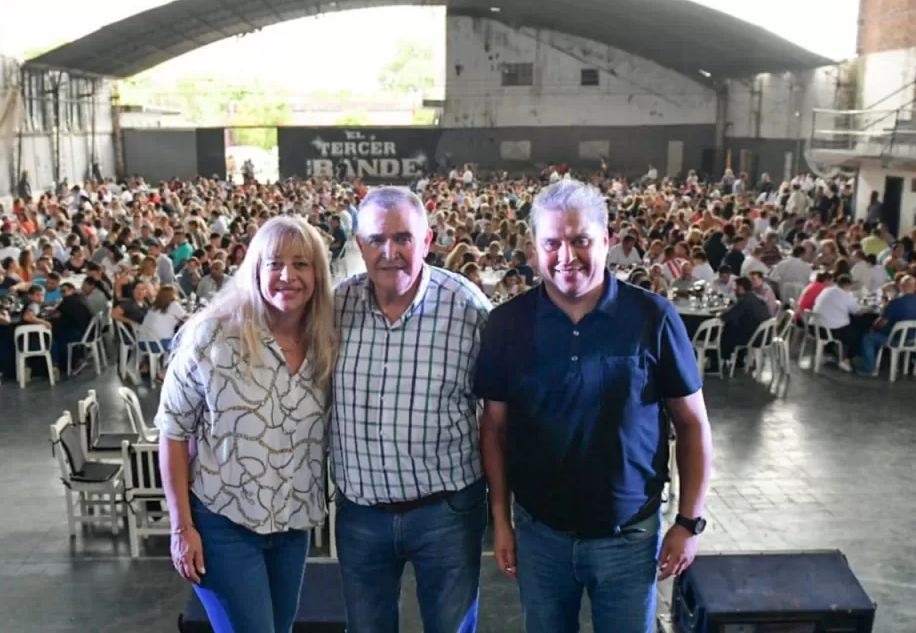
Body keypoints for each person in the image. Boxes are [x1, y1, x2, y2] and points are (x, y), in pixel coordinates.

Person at [475, 180, 712, 632]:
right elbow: (495, 429)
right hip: (540, 536)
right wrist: (501, 521)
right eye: (552, 243)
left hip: (630, 538)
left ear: (606, 240)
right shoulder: (507, 324)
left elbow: (693, 424)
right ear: (535, 248)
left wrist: (688, 522)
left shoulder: (653, 318)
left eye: (580, 240)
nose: (567, 257)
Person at [156, 216, 338, 633]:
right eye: (274, 263)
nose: (287, 276)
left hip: (292, 528)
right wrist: (182, 528)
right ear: (254, 270)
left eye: (301, 264)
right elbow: (173, 432)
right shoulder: (211, 337)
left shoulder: (328, 342)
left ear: (318, 274)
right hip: (222, 524)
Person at [330, 186, 492, 633]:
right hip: (360, 514)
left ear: (427, 240)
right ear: (359, 245)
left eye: (403, 238)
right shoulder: (335, 308)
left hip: (446, 513)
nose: (390, 252)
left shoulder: (468, 308)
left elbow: (501, 409)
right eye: (377, 240)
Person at [858, 275, 916, 373]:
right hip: (913, 340)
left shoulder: (895, 303)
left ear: (901, 287)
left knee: (868, 338)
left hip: (895, 340)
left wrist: (874, 326)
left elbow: (882, 323)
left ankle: (869, 368)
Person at [719, 277, 773, 365]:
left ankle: (719, 360)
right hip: (765, 336)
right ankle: (739, 360)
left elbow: (727, 317)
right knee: (740, 326)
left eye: (736, 287)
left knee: (728, 329)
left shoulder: (744, 301)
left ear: (741, 287)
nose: (734, 290)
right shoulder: (758, 299)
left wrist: (720, 314)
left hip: (754, 338)